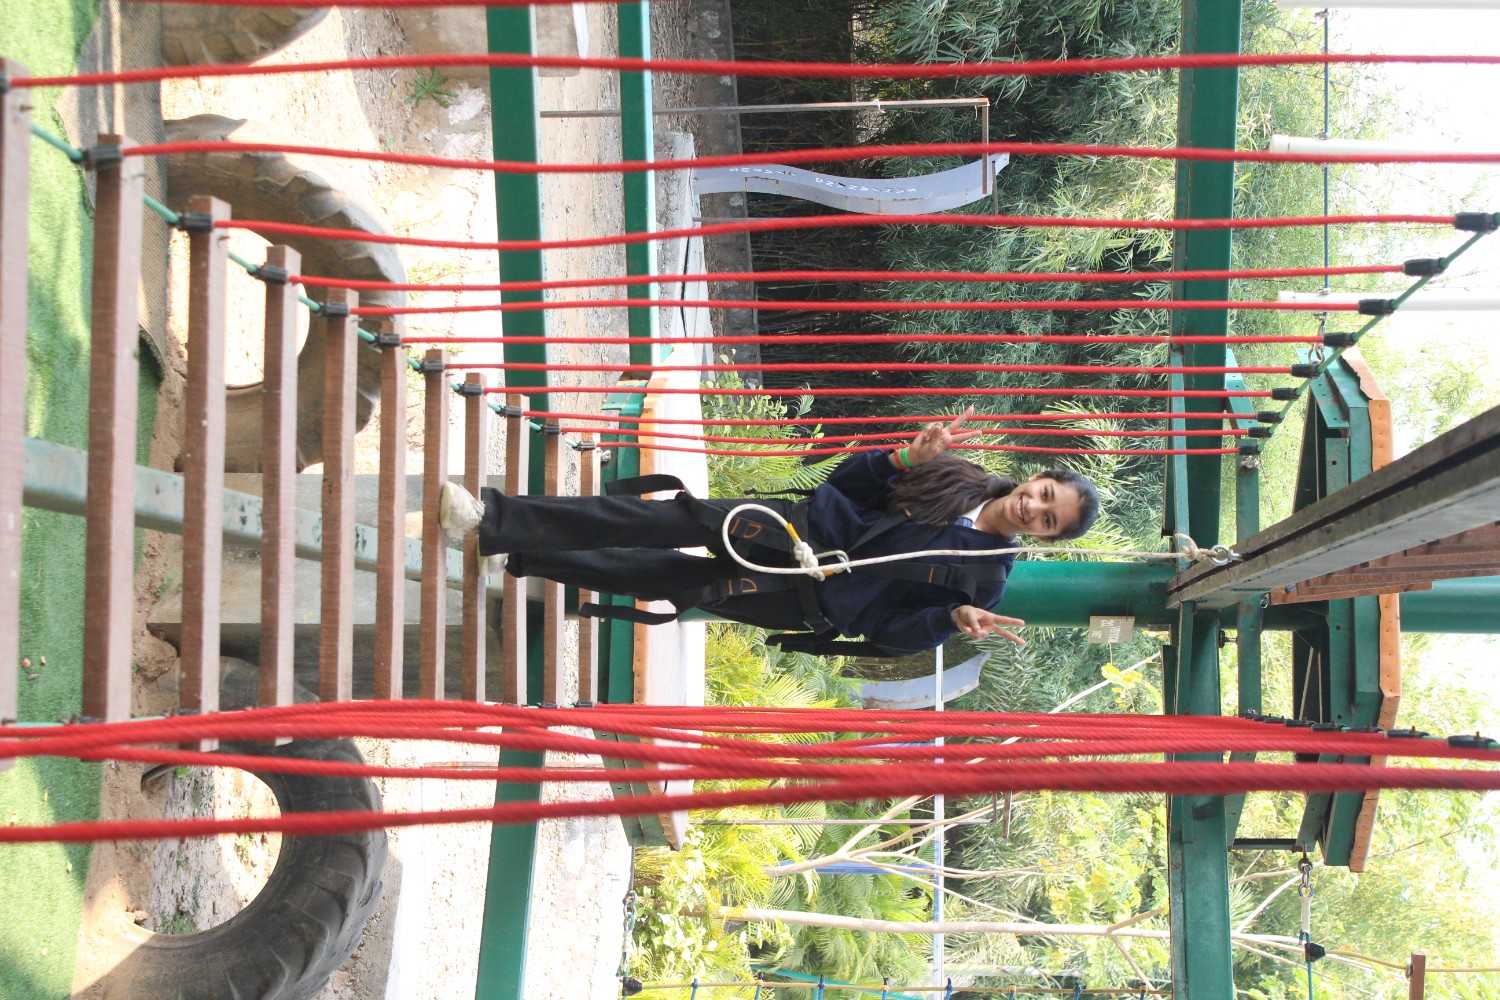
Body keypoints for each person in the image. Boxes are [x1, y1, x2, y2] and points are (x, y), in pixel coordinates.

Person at [439, 408, 1099, 657]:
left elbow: (888, 634)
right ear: (1034, 478)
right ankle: (493, 519)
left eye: (1048, 520)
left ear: (1045, 538)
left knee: (657, 578)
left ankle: (522, 550)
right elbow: (850, 484)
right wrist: (904, 460)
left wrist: (949, 620)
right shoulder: (958, 475)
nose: (1033, 509)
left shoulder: (987, 582)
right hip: (799, 526)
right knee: (659, 518)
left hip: (804, 601)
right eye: (1043, 495)